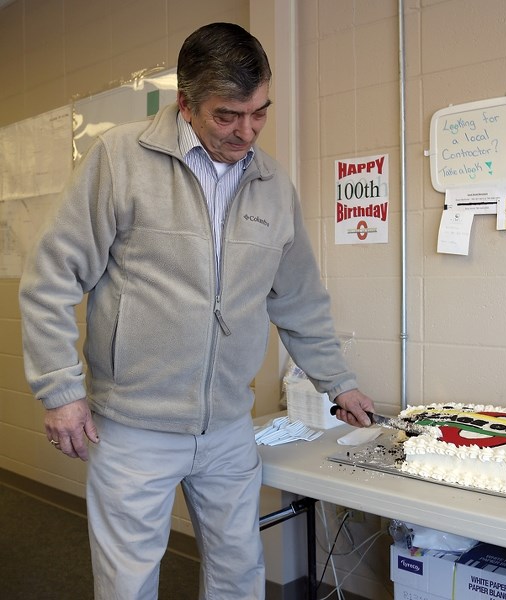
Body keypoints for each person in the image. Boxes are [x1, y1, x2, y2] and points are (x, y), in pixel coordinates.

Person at [19, 22, 374, 600]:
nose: (246, 131)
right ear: (185, 103)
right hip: (134, 426)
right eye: (227, 116)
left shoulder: (271, 183)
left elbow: (299, 299)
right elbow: (53, 276)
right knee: (129, 581)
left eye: (259, 113)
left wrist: (339, 381)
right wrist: (59, 389)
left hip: (228, 427)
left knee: (238, 572)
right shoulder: (121, 159)